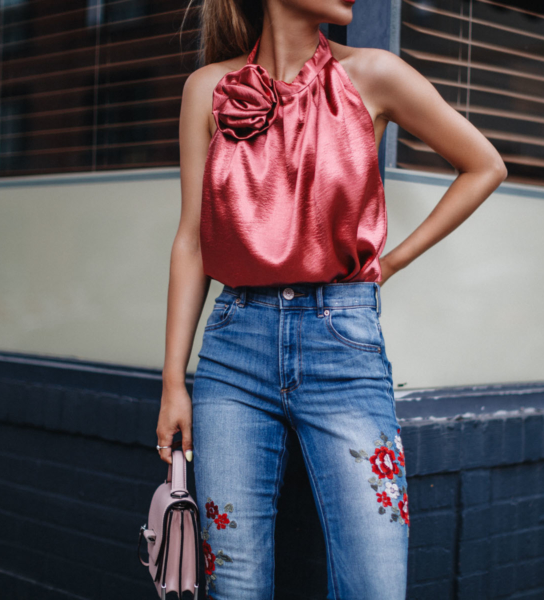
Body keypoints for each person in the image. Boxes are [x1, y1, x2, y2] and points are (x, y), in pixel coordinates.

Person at [157, 0, 507, 597]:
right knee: (233, 584)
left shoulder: (375, 74)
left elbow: (484, 165)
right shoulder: (207, 89)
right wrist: (173, 382)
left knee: (376, 583)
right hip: (232, 352)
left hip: (342, 345)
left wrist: (388, 264)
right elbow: (192, 240)